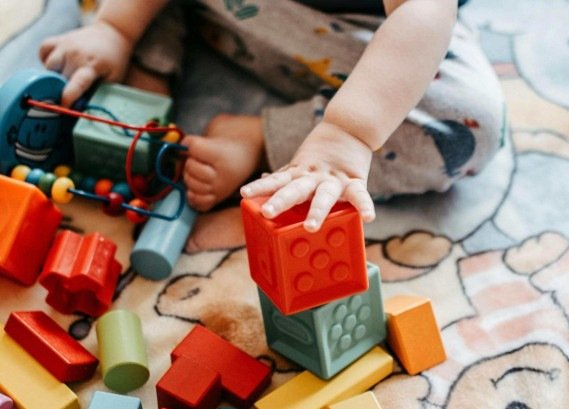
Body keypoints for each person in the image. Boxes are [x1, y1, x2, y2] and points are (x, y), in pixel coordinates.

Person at [39, 0, 504, 238]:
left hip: (370, 34)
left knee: (468, 126)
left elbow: (421, 14)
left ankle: (259, 140)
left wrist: (345, 135)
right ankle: (146, 60)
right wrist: (115, 28)